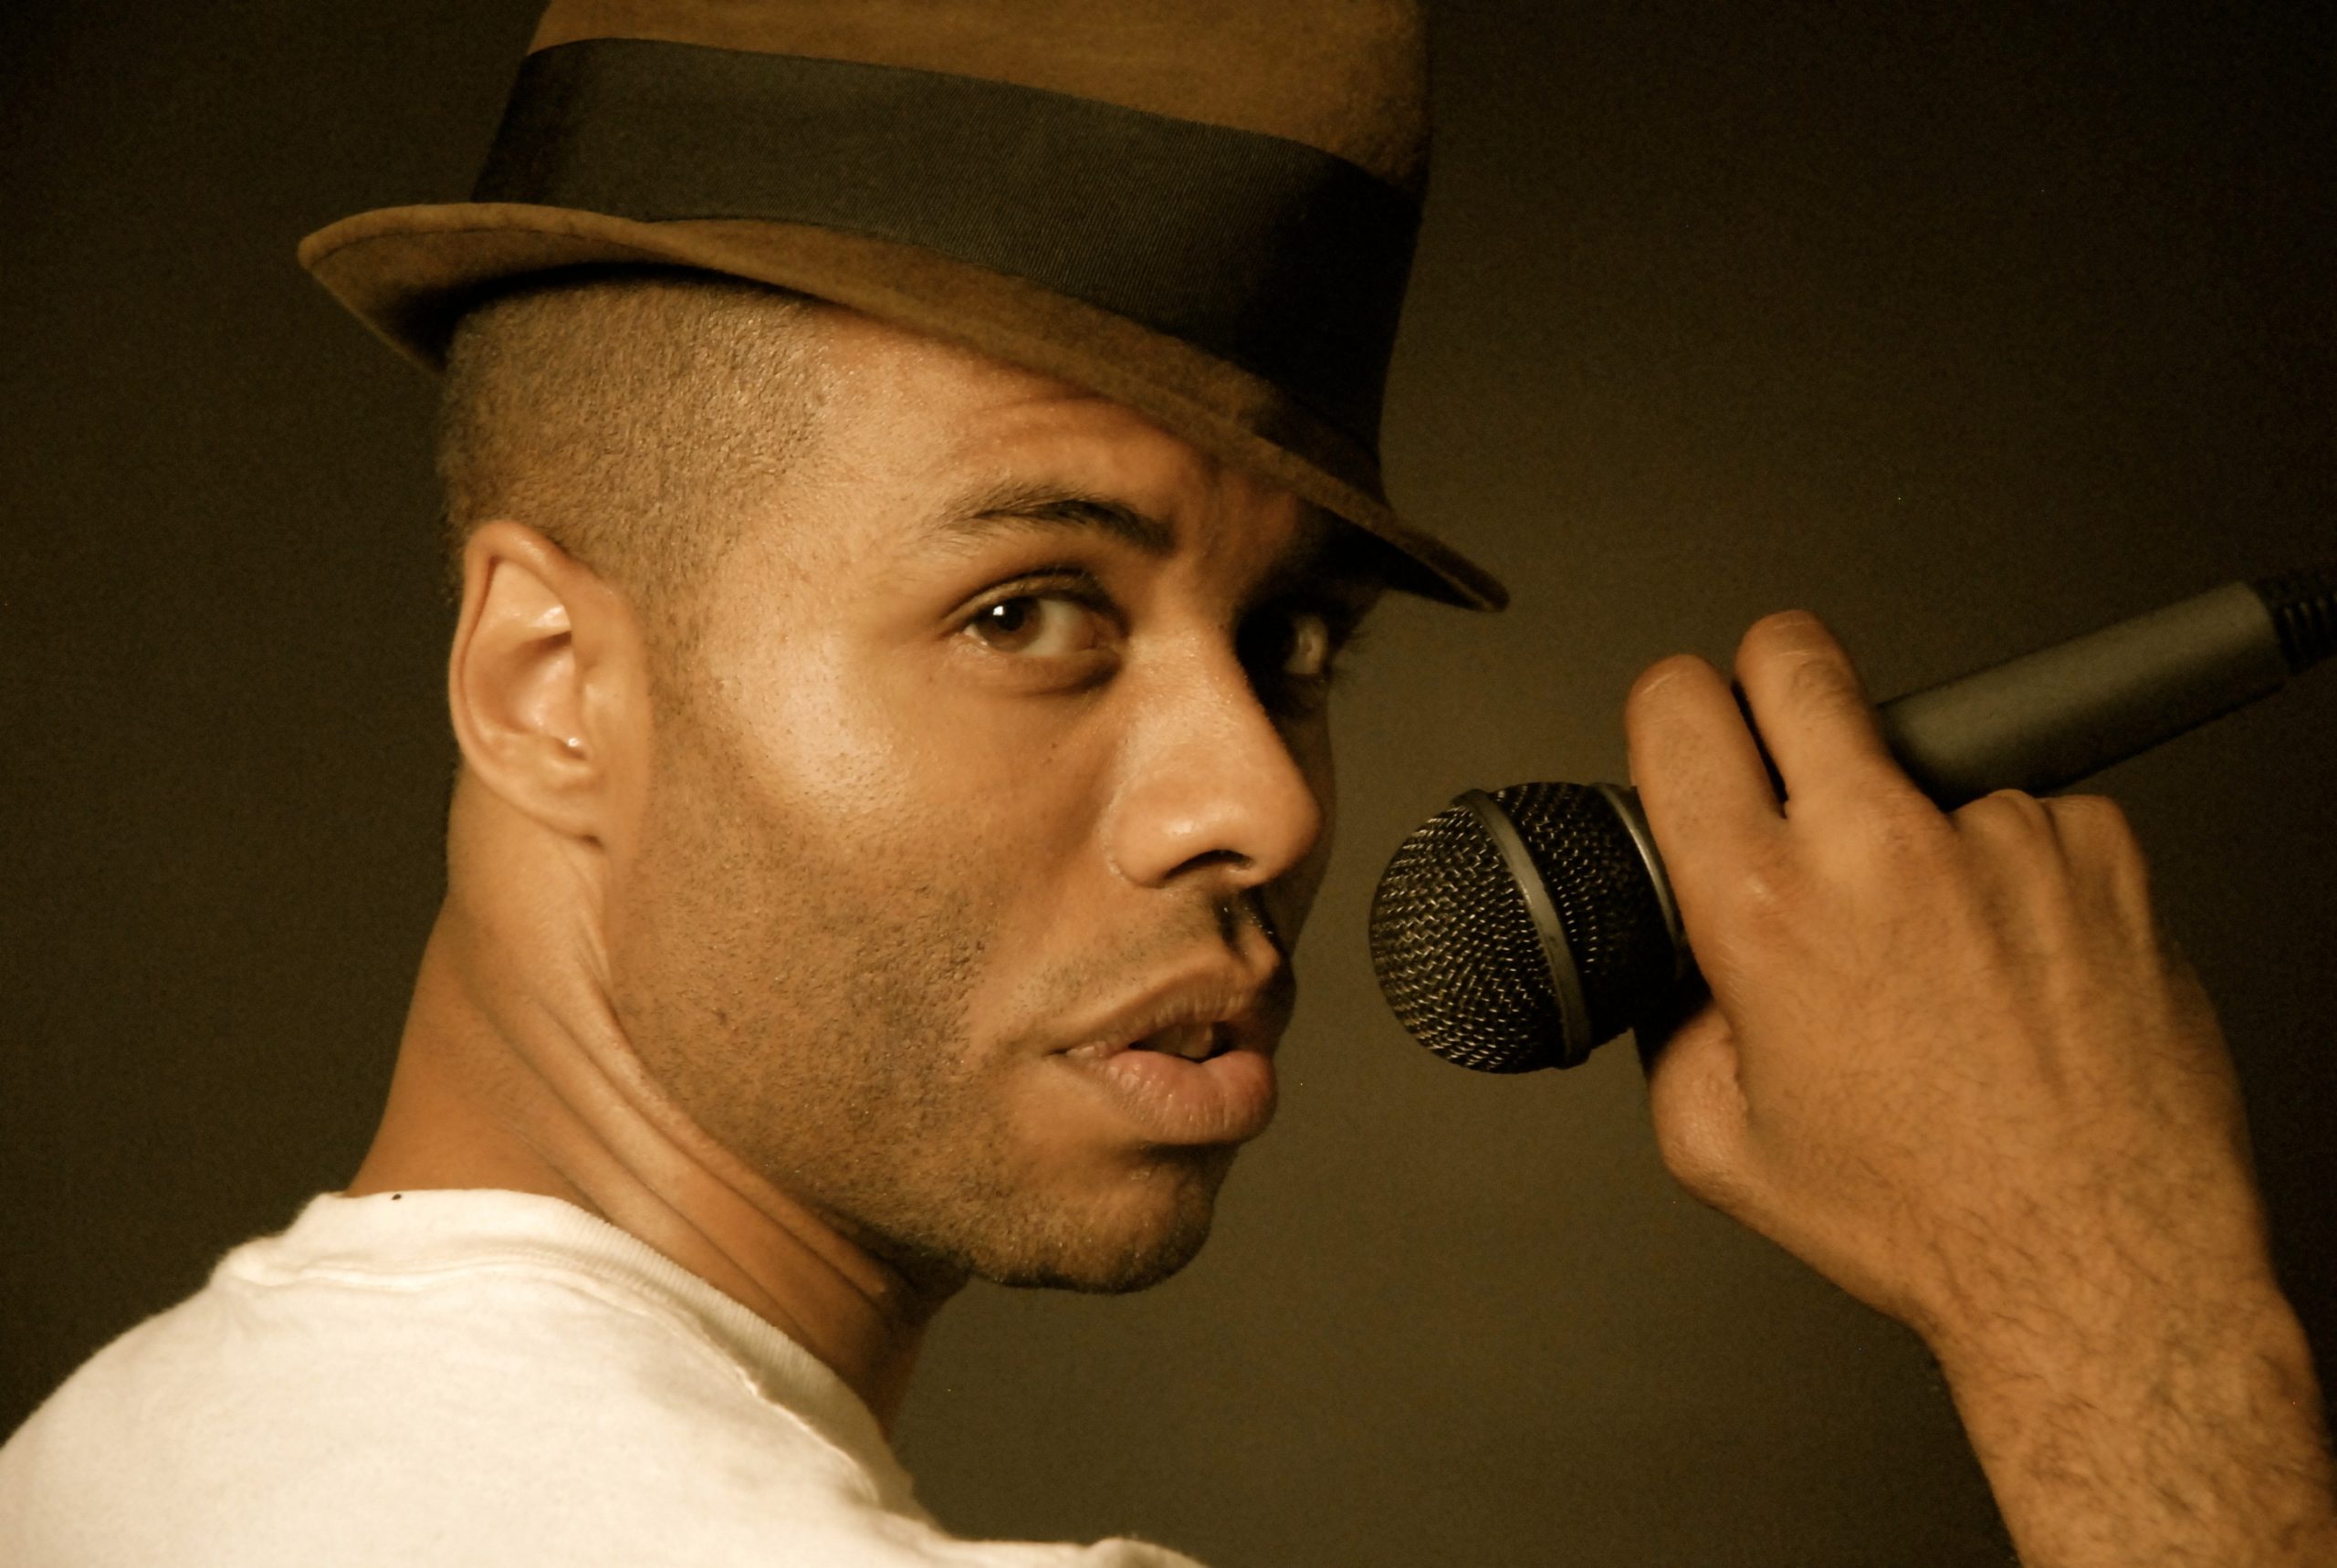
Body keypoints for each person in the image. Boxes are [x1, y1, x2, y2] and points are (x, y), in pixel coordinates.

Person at [4, 2, 2332, 1563]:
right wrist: (2112, 1311)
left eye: (1294, 639)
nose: (1268, 809)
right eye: (1029, 610)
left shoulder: (109, 1458)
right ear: (545, 687)